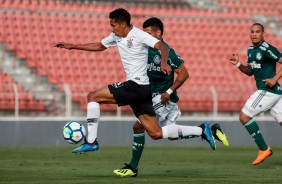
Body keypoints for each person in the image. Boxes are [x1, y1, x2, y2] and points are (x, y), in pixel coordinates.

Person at [55, 8, 215, 155]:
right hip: (144, 91)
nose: (112, 28)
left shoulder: (139, 34)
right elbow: (99, 45)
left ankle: (91, 141)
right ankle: (202, 130)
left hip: (135, 86)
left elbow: (162, 47)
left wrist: (164, 63)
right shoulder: (116, 36)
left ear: (123, 24)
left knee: (92, 97)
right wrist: (73, 46)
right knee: (155, 133)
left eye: (113, 25)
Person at [113, 17, 229, 177]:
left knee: (141, 127)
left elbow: (184, 74)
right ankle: (205, 129)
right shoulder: (145, 48)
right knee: (167, 135)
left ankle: (133, 168)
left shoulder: (167, 51)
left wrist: (168, 92)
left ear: (158, 33)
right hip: (152, 97)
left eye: (148, 32)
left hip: (162, 98)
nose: (145, 36)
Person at [230, 22, 282, 165]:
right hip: (276, 93)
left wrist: (274, 78)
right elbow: (250, 72)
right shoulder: (251, 50)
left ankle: (264, 149)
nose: (254, 34)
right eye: (252, 31)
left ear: (263, 34)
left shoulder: (267, 49)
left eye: (257, 32)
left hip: (268, 91)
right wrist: (238, 64)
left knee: (244, 116)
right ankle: (264, 149)